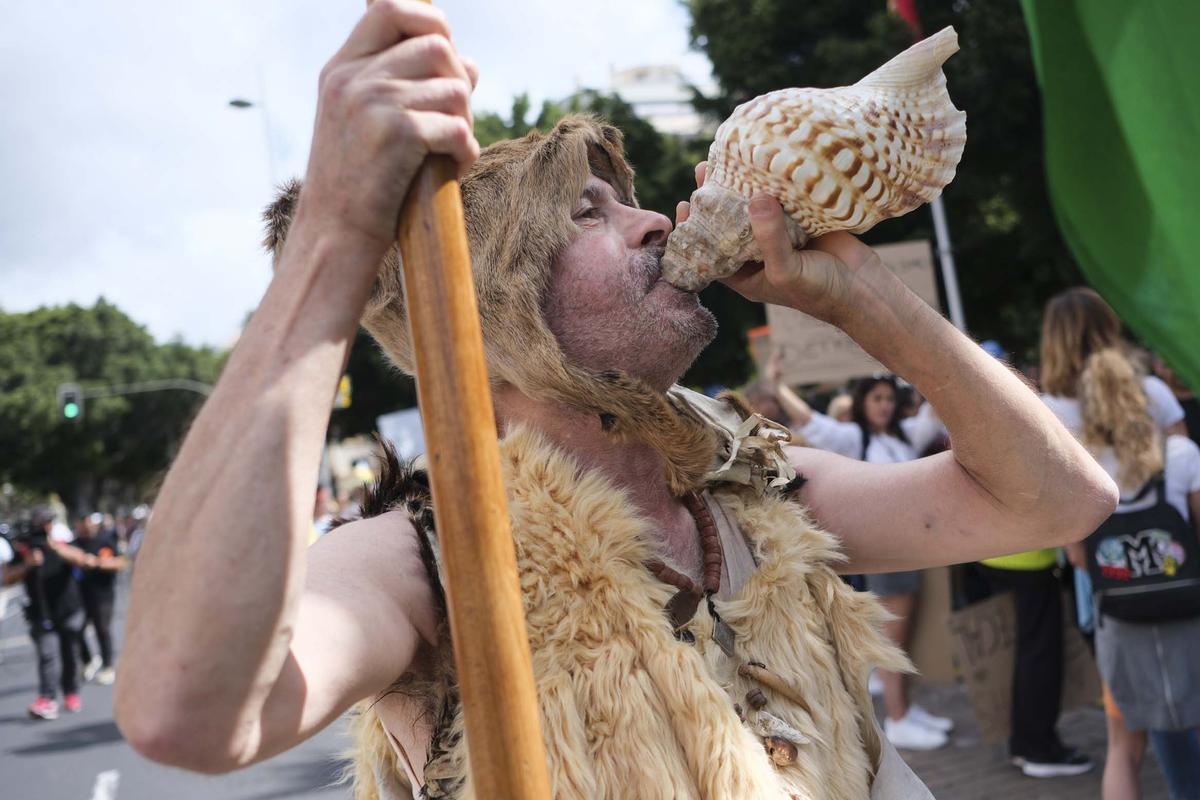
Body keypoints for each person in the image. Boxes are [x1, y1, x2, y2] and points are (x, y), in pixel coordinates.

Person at [113, 4, 1117, 797]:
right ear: (501, 309)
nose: (651, 222)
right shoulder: (432, 555)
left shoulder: (759, 493)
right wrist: (335, 232)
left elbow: (1059, 500)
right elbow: (187, 712)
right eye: (592, 212)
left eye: (630, 199)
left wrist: (867, 299)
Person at [1038, 289, 1199, 799]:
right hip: (1183, 583)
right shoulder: (1157, 397)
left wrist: (1106, 569)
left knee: (1125, 740)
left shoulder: (1045, 411)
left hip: (1110, 593)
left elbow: (1071, 541)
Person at [771, 373, 952, 751]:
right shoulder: (853, 438)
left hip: (911, 553)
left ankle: (907, 709)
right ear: (862, 404)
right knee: (892, 639)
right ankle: (898, 719)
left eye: (889, 398)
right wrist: (778, 384)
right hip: (889, 557)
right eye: (877, 398)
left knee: (906, 637)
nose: (884, 404)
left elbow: (937, 406)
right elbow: (808, 420)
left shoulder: (903, 434)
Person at [1, 507, 97, 719]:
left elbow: (84, 560)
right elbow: (7, 577)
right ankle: (47, 698)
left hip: (69, 610)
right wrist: (27, 564)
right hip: (41, 614)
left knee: (70, 654)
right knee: (47, 655)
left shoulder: (62, 542)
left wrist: (54, 548)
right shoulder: (25, 548)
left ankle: (71, 691)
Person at [75, 511, 126, 685]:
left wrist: (97, 563)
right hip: (81, 595)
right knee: (76, 628)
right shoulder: (76, 543)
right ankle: (88, 659)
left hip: (103, 594)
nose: (85, 526)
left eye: (88, 522)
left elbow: (120, 562)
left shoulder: (105, 540)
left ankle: (108, 665)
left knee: (102, 629)